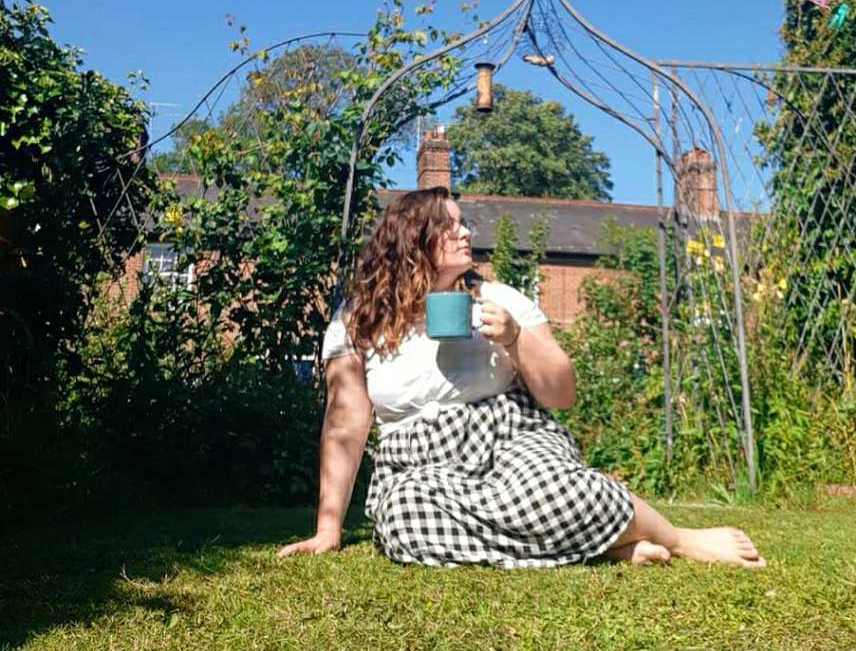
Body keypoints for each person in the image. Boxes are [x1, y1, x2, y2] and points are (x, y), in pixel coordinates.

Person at [278, 187, 765, 569]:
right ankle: (601, 546)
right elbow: (345, 422)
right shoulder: (358, 319)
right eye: (447, 227)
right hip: (416, 460)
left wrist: (514, 340)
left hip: (510, 435)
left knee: (555, 489)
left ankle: (679, 538)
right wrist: (328, 529)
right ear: (410, 243)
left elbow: (563, 393)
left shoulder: (501, 299)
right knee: (405, 520)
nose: (464, 233)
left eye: (463, 223)